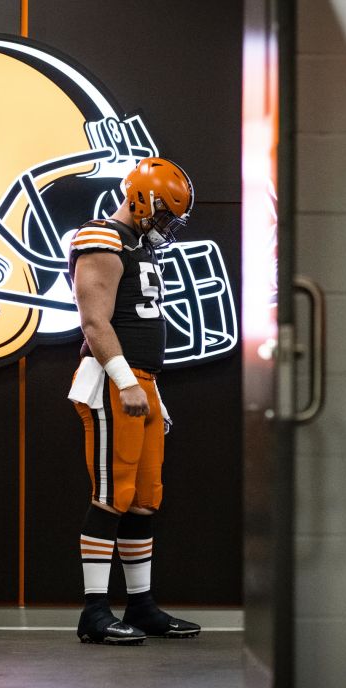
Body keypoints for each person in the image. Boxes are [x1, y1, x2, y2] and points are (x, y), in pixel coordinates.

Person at [66, 157, 201, 645]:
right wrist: (125, 381)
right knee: (114, 495)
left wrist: (150, 391)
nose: (165, 225)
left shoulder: (139, 246)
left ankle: (141, 606)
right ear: (141, 199)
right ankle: (95, 613)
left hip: (140, 382)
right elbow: (95, 322)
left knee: (145, 500)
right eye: (163, 213)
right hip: (108, 381)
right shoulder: (101, 238)